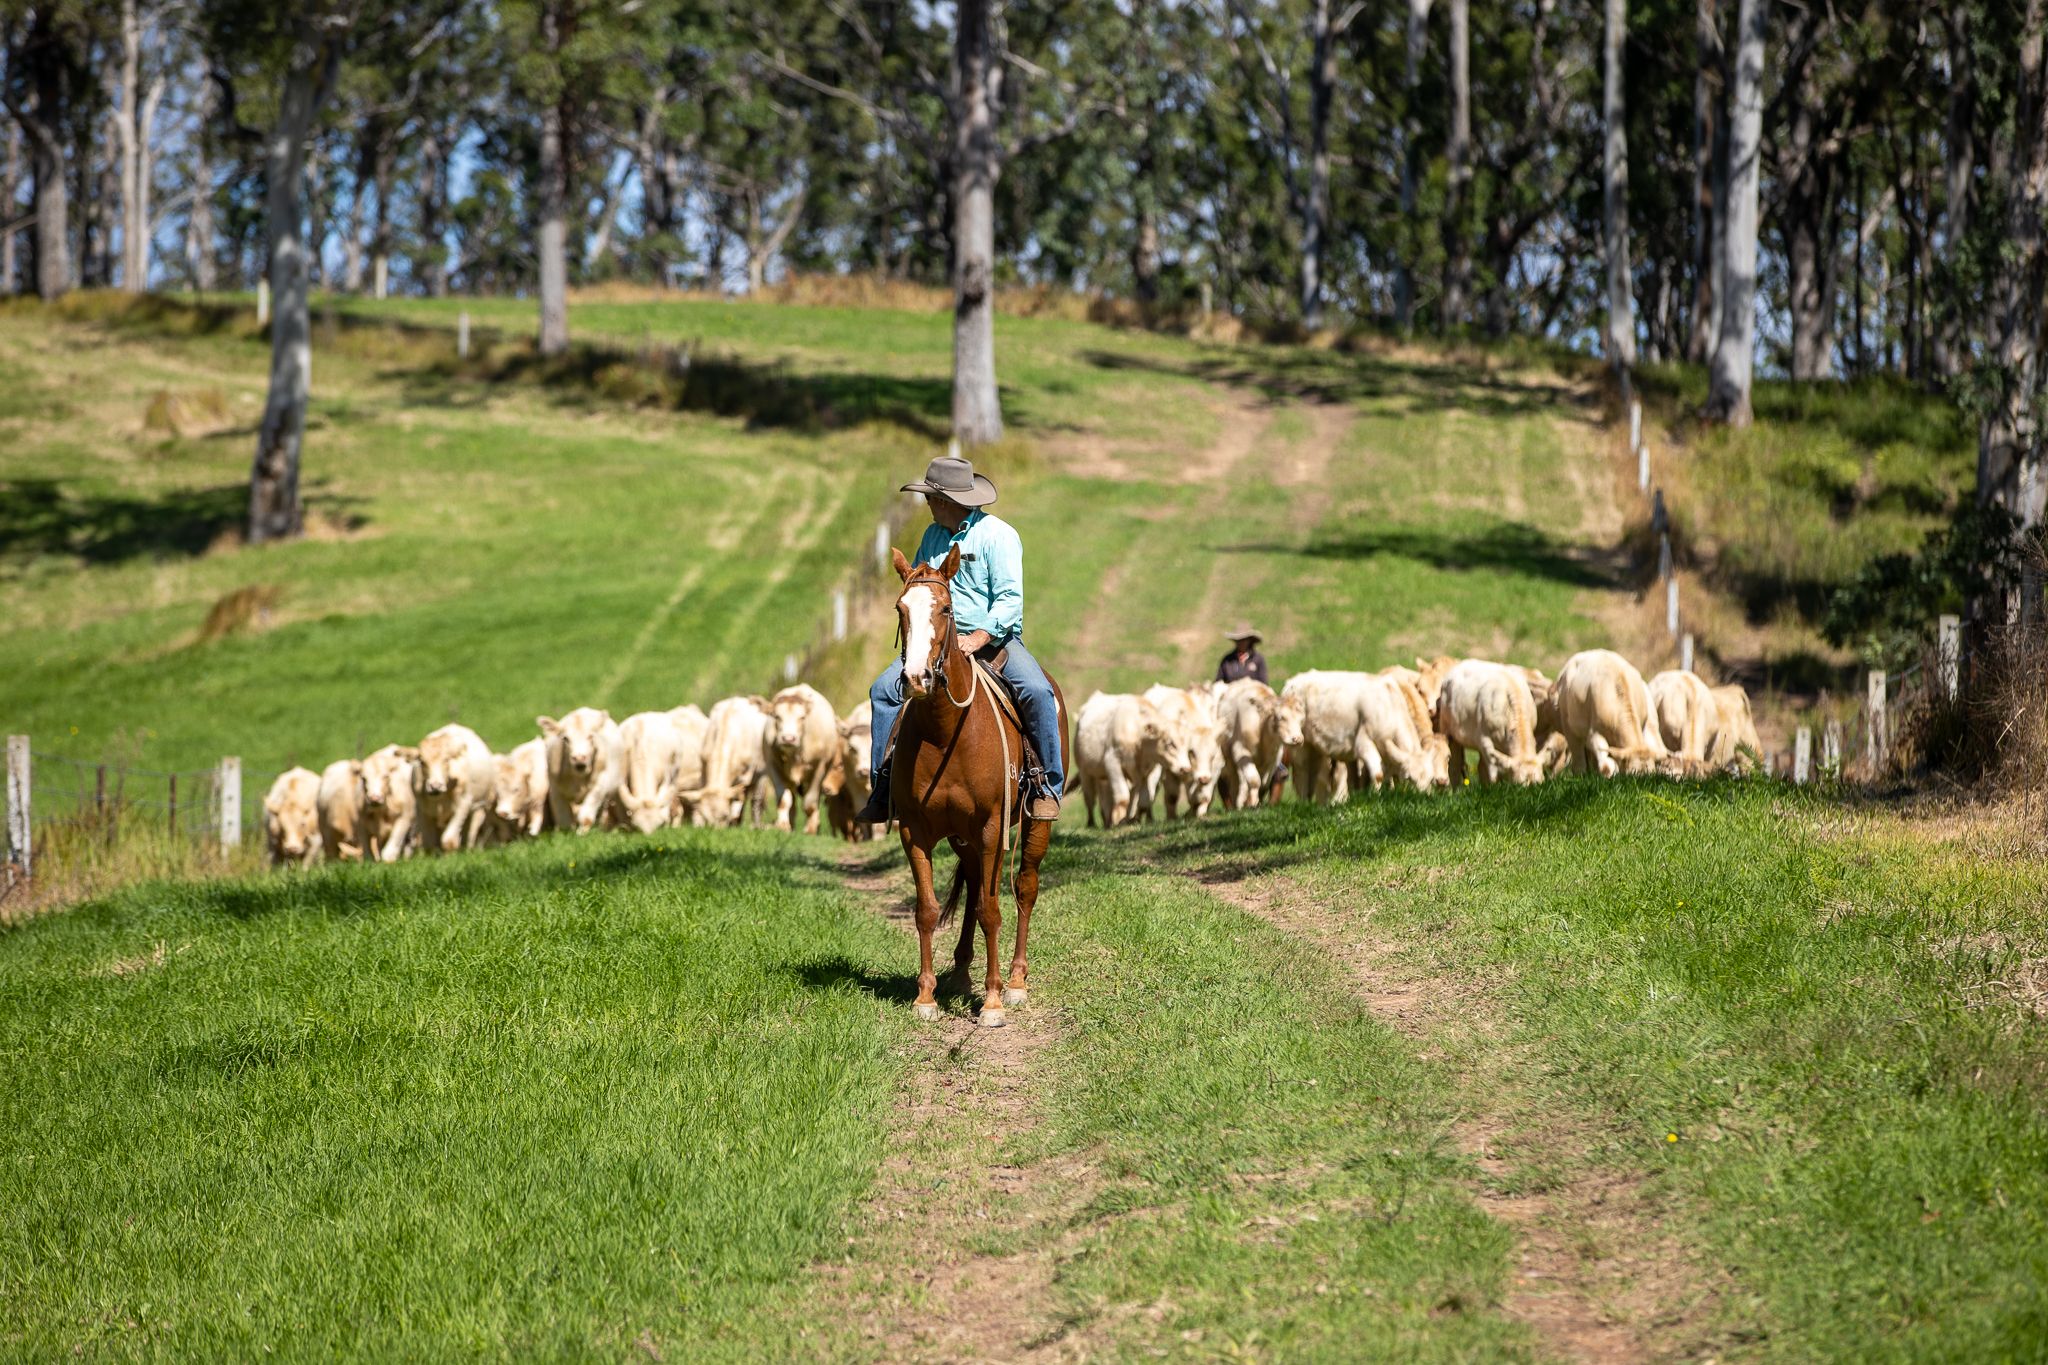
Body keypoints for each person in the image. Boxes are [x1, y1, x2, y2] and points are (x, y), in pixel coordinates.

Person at [858, 454, 1064, 824]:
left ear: (945, 501)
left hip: (993, 642)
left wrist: (979, 636)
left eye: (929, 497)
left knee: (1036, 690)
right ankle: (884, 786)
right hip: (936, 641)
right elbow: (921, 588)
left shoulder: (999, 536)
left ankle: (1045, 785)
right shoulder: (931, 536)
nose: (926, 503)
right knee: (882, 692)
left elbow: (1009, 600)